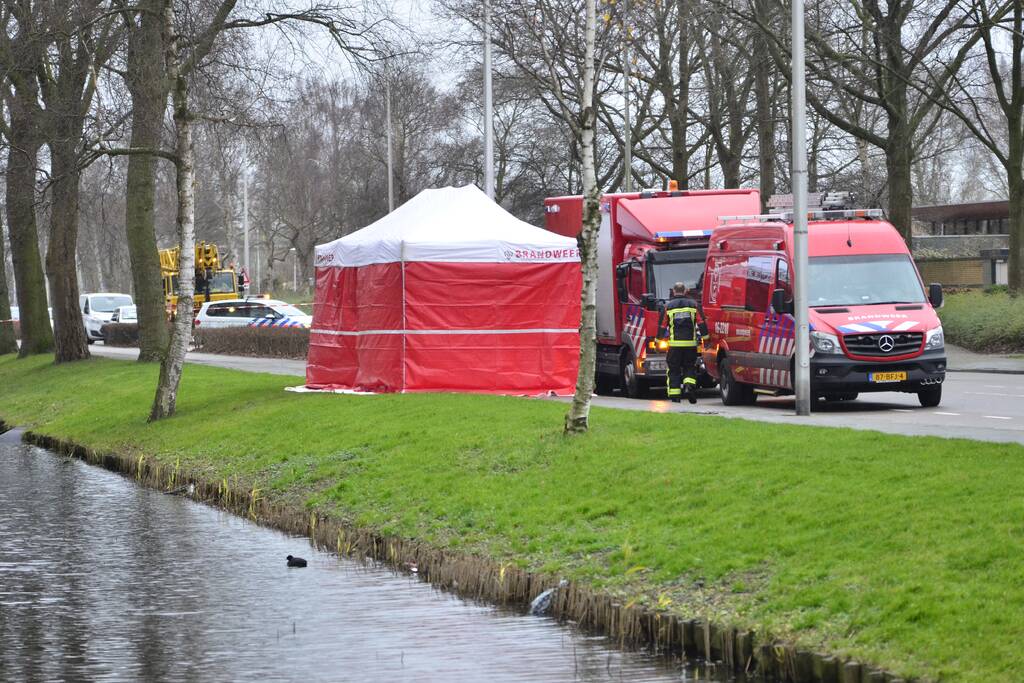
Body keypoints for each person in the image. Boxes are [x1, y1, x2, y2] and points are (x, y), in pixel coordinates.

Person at [661, 282, 702, 404]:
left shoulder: (668, 306)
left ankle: (675, 396)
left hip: (674, 346)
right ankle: (689, 386)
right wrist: (707, 338)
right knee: (689, 367)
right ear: (685, 291)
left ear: (674, 291)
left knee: (674, 370)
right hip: (690, 345)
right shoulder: (694, 305)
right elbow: (701, 323)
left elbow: (662, 326)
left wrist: (658, 340)